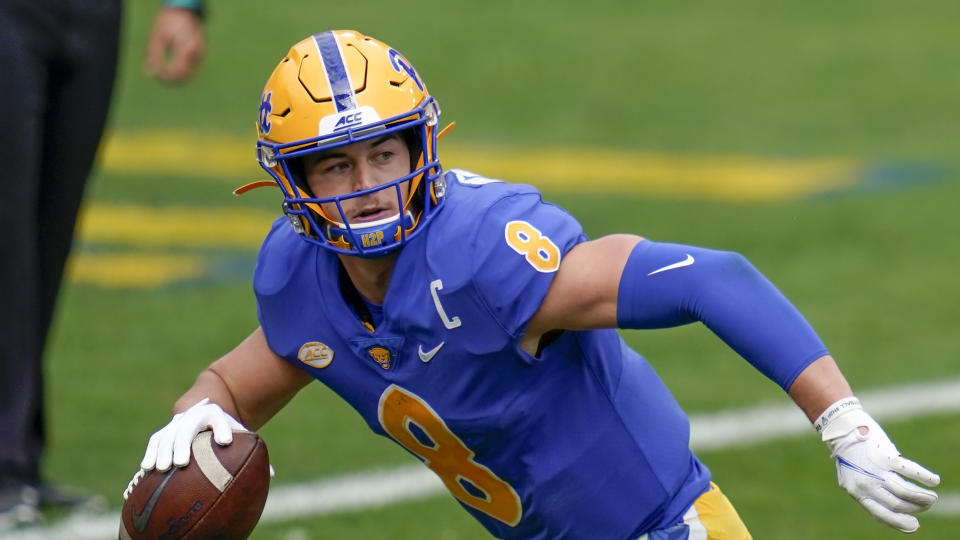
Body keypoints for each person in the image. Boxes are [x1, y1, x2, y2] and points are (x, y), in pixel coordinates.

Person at [125, 30, 941, 539]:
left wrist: (843, 423)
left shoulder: (485, 256)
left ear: (420, 152)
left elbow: (715, 279)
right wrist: (197, 415)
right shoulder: (300, 280)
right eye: (336, 164)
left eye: (384, 154)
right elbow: (235, 385)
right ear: (293, 182)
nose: (367, 182)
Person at [0, 0, 206, 530]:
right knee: (7, 238)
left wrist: (185, 5)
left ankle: (18, 452)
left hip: (93, 15)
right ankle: (7, 463)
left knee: (50, 235)